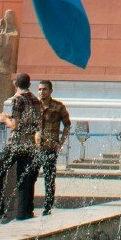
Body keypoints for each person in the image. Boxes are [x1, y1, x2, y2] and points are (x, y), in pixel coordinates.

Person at [0, 73, 43, 222]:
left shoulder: (18, 99)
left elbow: (16, 125)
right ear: (29, 84)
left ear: (16, 84)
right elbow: (34, 123)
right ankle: (24, 213)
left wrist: (5, 119)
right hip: (30, 145)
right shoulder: (36, 100)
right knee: (24, 178)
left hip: (16, 144)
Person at [34, 78, 71, 215]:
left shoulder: (58, 106)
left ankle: (47, 207)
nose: (41, 92)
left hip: (50, 147)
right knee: (30, 177)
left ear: (50, 91)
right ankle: (28, 206)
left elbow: (67, 124)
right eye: (39, 89)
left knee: (49, 178)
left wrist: (60, 143)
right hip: (35, 148)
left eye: (44, 89)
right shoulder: (34, 106)